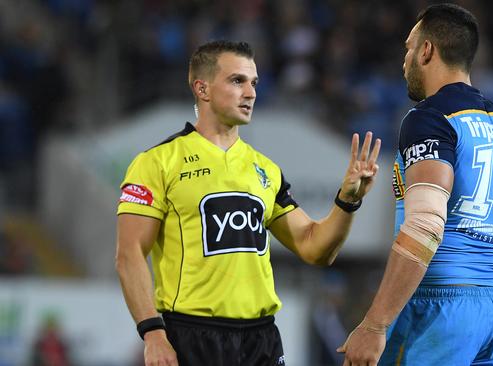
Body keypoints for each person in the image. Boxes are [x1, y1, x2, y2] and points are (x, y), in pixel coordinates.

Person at [114, 40, 381, 366]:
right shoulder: (157, 162)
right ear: (203, 88)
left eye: (253, 82)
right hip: (191, 336)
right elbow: (129, 255)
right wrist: (153, 332)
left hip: (261, 339)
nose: (251, 92)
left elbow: (315, 248)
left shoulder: (265, 169)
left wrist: (347, 201)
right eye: (237, 80)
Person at [338, 4, 493, 366]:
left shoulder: (430, 119)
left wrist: (375, 325)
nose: (405, 58)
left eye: (409, 48)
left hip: (438, 308)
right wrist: (485, 313)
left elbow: (425, 225)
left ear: (427, 51)